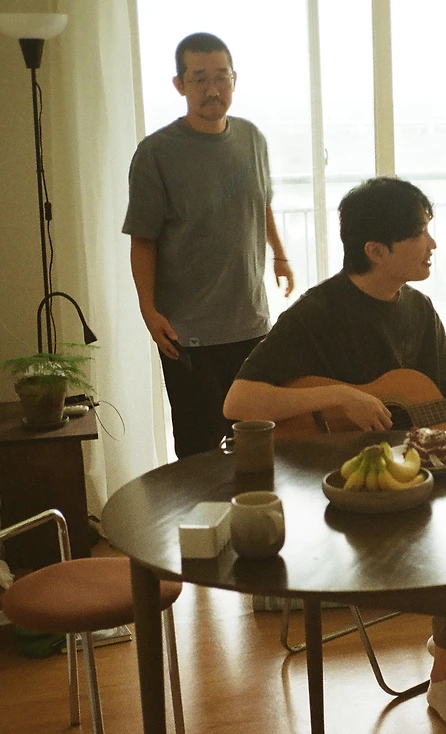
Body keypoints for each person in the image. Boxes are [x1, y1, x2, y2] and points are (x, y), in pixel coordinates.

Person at [224, 176, 446, 733]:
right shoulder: (318, 312)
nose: (433, 244)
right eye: (421, 233)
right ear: (376, 250)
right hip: (330, 493)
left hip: (409, 481)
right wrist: (339, 396)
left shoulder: (420, 311)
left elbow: (435, 410)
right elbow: (238, 402)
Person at [123, 32, 295, 459]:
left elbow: (262, 202)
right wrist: (148, 310)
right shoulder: (156, 153)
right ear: (179, 85)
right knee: (199, 451)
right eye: (199, 78)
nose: (212, 89)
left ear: (235, 80)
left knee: (260, 442)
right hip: (188, 332)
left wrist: (280, 255)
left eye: (221, 77)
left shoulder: (252, 138)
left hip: (251, 323)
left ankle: (256, 505)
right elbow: (143, 239)